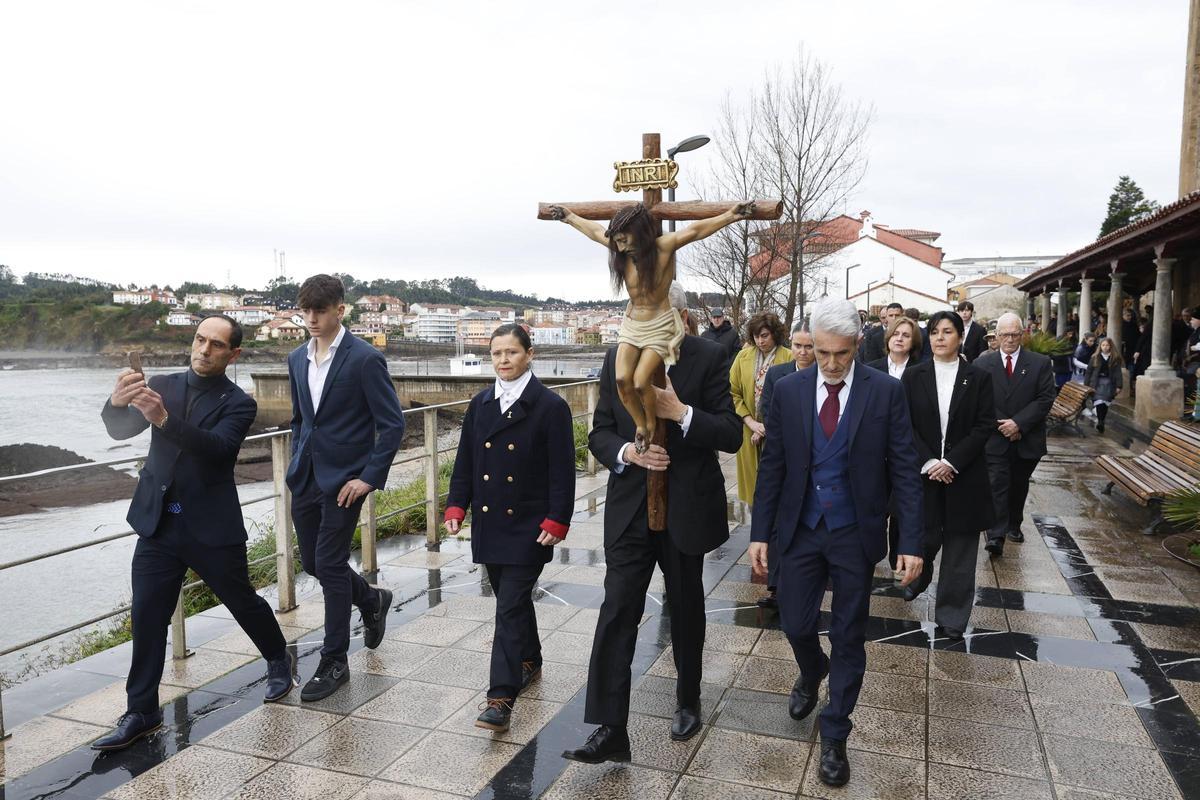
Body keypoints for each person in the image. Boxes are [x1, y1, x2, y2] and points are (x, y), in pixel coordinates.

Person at [94, 316, 295, 751]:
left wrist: (162, 418)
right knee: (147, 616)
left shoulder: (239, 402)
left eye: (216, 344)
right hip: (158, 523)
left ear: (233, 354)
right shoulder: (164, 383)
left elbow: (218, 451)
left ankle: (279, 658)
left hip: (209, 525)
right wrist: (116, 402)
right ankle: (142, 710)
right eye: (200, 340)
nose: (204, 349)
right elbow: (121, 428)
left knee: (242, 600)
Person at [748, 298, 924, 788]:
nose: (828, 364)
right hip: (801, 530)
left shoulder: (885, 393)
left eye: (840, 355)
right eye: (821, 353)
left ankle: (835, 735)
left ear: (857, 347)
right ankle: (811, 669)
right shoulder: (787, 390)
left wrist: (910, 541)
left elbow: (905, 470)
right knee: (797, 623)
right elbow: (775, 468)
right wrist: (760, 532)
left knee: (849, 634)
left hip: (855, 534)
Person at [564, 282, 741, 763]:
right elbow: (600, 431)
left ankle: (687, 699)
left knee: (685, 608)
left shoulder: (708, 356)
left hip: (685, 507)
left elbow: (730, 434)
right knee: (617, 608)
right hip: (629, 508)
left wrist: (680, 412)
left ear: (679, 320)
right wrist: (626, 453)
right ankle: (608, 726)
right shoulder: (615, 359)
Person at [443, 324, 575, 732]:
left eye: (512, 352)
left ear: (529, 355)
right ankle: (530, 657)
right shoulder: (481, 404)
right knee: (511, 600)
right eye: (496, 353)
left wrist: (559, 519)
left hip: (530, 525)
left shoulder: (550, 407)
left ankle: (500, 697)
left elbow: (562, 471)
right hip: (489, 521)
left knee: (508, 606)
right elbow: (465, 461)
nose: (503, 360)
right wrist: (455, 505)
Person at [550, 202, 753, 453]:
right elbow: (594, 231)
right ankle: (641, 425)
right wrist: (569, 216)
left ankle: (649, 423)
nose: (621, 247)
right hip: (633, 323)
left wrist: (731, 215)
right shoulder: (621, 251)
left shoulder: (663, 247)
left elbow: (696, 230)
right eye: (618, 242)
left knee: (639, 381)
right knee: (623, 379)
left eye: (625, 240)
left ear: (639, 232)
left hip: (659, 324)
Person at [287, 274, 405, 701]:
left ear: (341, 309)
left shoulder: (364, 359)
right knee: (316, 564)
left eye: (320, 310)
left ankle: (334, 660)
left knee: (330, 564)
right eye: (306, 311)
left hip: (345, 484)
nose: (313, 319)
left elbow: (392, 425)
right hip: (305, 479)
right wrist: (296, 460)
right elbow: (302, 419)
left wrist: (368, 477)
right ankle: (372, 599)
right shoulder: (296, 358)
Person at [900, 311, 996, 639]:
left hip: (963, 476)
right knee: (924, 538)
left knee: (960, 552)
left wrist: (951, 462)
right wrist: (928, 461)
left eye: (947, 332)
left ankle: (952, 619)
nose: (940, 338)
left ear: (960, 337)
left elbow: (985, 425)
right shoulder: (913, 377)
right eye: (935, 332)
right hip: (924, 474)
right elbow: (904, 424)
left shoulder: (978, 377)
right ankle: (919, 576)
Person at [975, 313, 1057, 557]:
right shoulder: (982, 364)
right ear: (996, 336)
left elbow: (1045, 398)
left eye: (1014, 334)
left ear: (1022, 335)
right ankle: (996, 535)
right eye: (1004, 334)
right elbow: (980, 400)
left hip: (1027, 438)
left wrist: (1018, 424)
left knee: (1018, 484)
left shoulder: (1040, 362)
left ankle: (1014, 523)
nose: (1009, 339)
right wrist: (1003, 425)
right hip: (995, 436)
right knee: (997, 484)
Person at [756, 321, 816, 610]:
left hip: (814, 461)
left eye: (809, 346)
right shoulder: (778, 374)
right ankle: (777, 586)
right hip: (784, 456)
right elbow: (768, 410)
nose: (803, 352)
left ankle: (803, 584)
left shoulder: (825, 377)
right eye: (798, 346)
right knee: (778, 522)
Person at [730, 312, 791, 507]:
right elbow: (732, 391)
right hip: (749, 429)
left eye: (764, 335)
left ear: (774, 333)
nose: (760, 340)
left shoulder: (788, 356)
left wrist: (766, 426)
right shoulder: (743, 356)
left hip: (778, 431)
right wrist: (750, 421)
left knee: (777, 488)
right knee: (753, 494)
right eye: (756, 336)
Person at [1084, 338, 1124, 434]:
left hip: (1109, 383)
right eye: (1103, 345)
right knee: (1099, 402)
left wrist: (1119, 385)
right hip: (1097, 383)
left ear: (1111, 346)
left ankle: (1101, 420)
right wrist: (1086, 384)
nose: (1105, 347)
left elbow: (1118, 372)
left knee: (1105, 403)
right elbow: (1089, 371)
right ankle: (1100, 421)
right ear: (1100, 346)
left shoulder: (1115, 358)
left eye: (1107, 345)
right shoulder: (1095, 357)